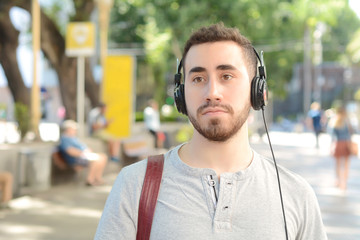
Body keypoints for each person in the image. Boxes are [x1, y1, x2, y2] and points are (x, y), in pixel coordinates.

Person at [95, 23, 327, 239]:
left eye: (227, 76)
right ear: (181, 95)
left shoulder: (296, 194)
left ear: (257, 90)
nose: (212, 92)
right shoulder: (135, 185)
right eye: (197, 78)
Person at [59, 120, 108, 186]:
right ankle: (90, 180)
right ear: (68, 129)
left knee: (103, 157)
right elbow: (70, 151)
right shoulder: (65, 139)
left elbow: (83, 147)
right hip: (76, 158)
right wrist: (83, 153)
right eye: (73, 129)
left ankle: (97, 178)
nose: (75, 131)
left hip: (84, 155)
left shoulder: (74, 138)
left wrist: (87, 151)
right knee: (95, 160)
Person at [328, 106, 353, 191]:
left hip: (337, 144)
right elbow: (349, 135)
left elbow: (332, 135)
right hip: (346, 143)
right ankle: (344, 183)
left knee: (337, 164)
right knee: (346, 165)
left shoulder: (334, 121)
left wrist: (331, 146)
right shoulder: (346, 121)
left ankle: (338, 180)